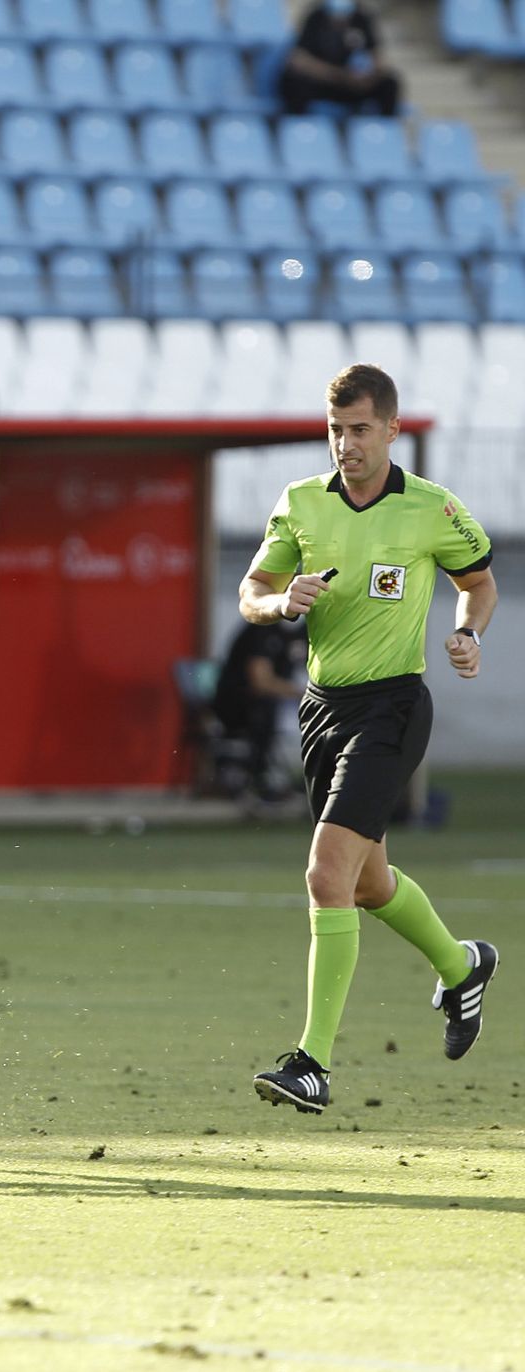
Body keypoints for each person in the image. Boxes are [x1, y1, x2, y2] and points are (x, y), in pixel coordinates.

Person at [241, 364, 498, 1115]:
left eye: (359, 429)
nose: (346, 444)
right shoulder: (300, 502)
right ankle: (462, 966)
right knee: (366, 884)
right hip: (322, 710)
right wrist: (280, 601)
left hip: (393, 708)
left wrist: (468, 634)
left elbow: (479, 584)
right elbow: (252, 593)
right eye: (335, 430)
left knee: (327, 873)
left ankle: (312, 1063)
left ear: (391, 429)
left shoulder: (431, 508)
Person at [211, 616, 307, 801]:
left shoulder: (302, 631)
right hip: (238, 706)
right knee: (265, 709)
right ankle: (260, 777)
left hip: (274, 703)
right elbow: (260, 682)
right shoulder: (263, 628)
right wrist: (302, 692)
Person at [279, 1, 402, 118]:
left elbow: (378, 57)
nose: (339, 22)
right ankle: (299, 124)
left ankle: (385, 125)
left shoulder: (362, 18)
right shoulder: (315, 17)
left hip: (354, 85)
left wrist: (369, 76)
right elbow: (298, 59)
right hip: (324, 83)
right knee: (293, 81)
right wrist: (338, 75)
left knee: (389, 83)